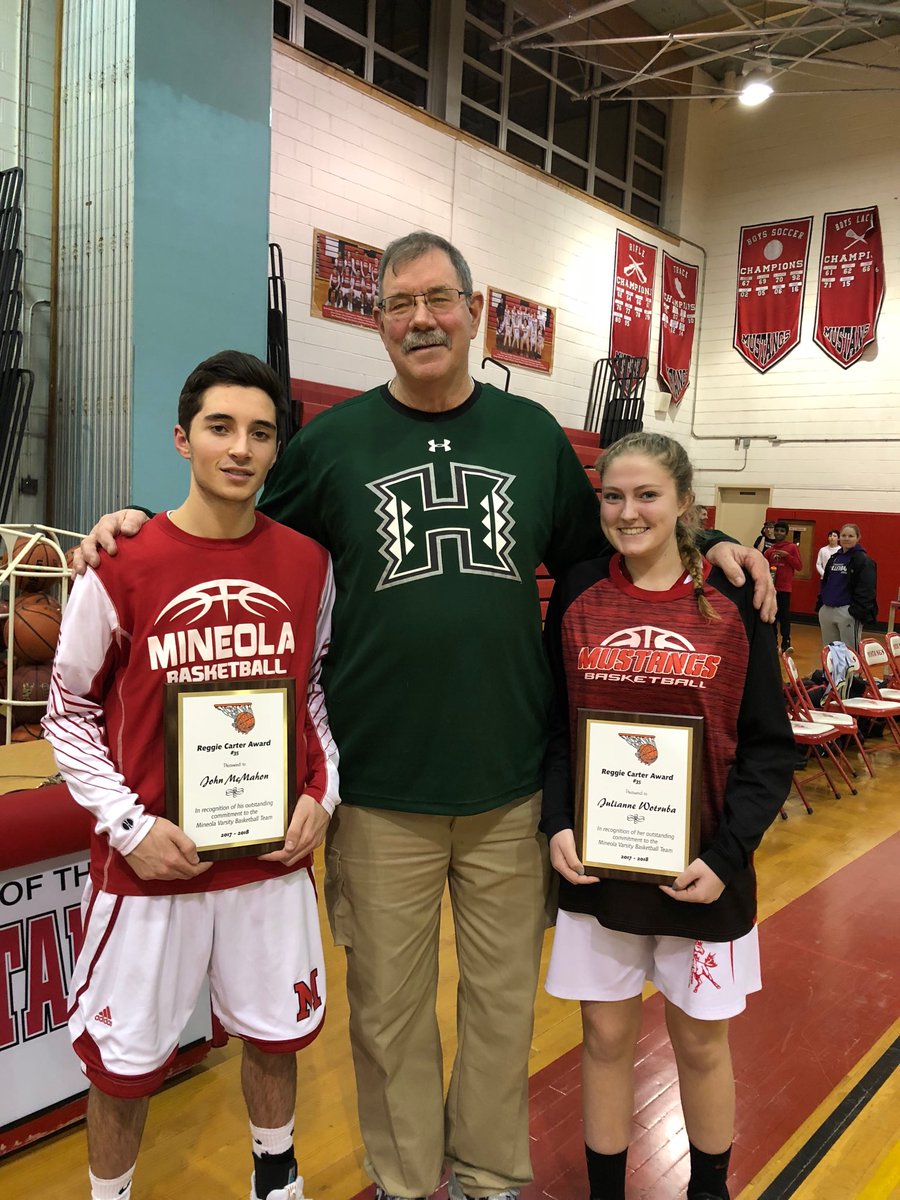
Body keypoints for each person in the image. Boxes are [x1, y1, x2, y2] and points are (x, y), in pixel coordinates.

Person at [73, 232, 776, 1200]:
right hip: (379, 788)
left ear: (475, 311)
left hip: (509, 786)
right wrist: (130, 521)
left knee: (500, 1008)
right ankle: (407, 1185)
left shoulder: (529, 437)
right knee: (389, 1013)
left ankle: (488, 1179)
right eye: (399, 305)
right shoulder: (328, 445)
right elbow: (231, 524)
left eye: (439, 299)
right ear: (377, 324)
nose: (421, 319)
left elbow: (617, 543)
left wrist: (720, 542)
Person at [43, 352, 339, 1200]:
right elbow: (67, 711)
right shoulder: (120, 563)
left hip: (269, 859)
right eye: (220, 428)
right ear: (182, 439)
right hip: (149, 867)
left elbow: (310, 693)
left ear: (278, 450)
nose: (240, 449)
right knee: (125, 1065)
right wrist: (131, 829)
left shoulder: (310, 565)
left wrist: (323, 794)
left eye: (259, 432)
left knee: (274, 1036)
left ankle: (275, 1174)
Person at [540, 431, 793, 1200]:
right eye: (613, 496)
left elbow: (769, 752)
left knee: (701, 1042)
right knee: (605, 1038)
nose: (628, 511)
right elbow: (557, 729)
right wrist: (556, 823)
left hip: (703, 873)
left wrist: (726, 860)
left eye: (648, 494)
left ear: (687, 503)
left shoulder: (736, 604)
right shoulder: (580, 592)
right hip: (601, 864)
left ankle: (708, 1191)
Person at [817, 522, 878, 651]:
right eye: (844, 535)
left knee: (850, 652)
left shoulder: (863, 560)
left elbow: (867, 589)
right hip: (827, 610)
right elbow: (826, 582)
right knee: (830, 651)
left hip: (847, 611)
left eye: (851, 536)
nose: (846, 538)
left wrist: (855, 612)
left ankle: (852, 672)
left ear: (858, 537)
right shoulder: (834, 558)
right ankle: (831, 672)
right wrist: (821, 604)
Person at [763, 519, 803, 654]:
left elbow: (798, 566)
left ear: (786, 533)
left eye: (782, 531)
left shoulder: (791, 548)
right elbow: (763, 567)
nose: (779, 533)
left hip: (784, 588)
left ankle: (786, 642)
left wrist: (787, 556)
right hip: (771, 588)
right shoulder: (770, 550)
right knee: (772, 616)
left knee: (784, 616)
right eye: (777, 530)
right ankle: (772, 642)